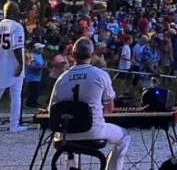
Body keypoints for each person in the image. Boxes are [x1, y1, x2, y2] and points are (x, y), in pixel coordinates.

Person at [49, 38, 130, 170]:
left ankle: (70, 167)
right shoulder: (101, 75)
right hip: (93, 131)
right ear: (92, 55)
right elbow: (109, 109)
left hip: (66, 133)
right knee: (124, 136)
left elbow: (52, 110)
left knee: (69, 137)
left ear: (73, 55)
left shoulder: (62, 78)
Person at [0, 1, 28, 133]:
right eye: (17, 9)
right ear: (13, 12)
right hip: (13, 66)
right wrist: (20, 64)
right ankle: (14, 125)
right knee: (16, 95)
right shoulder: (17, 27)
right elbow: (17, 47)